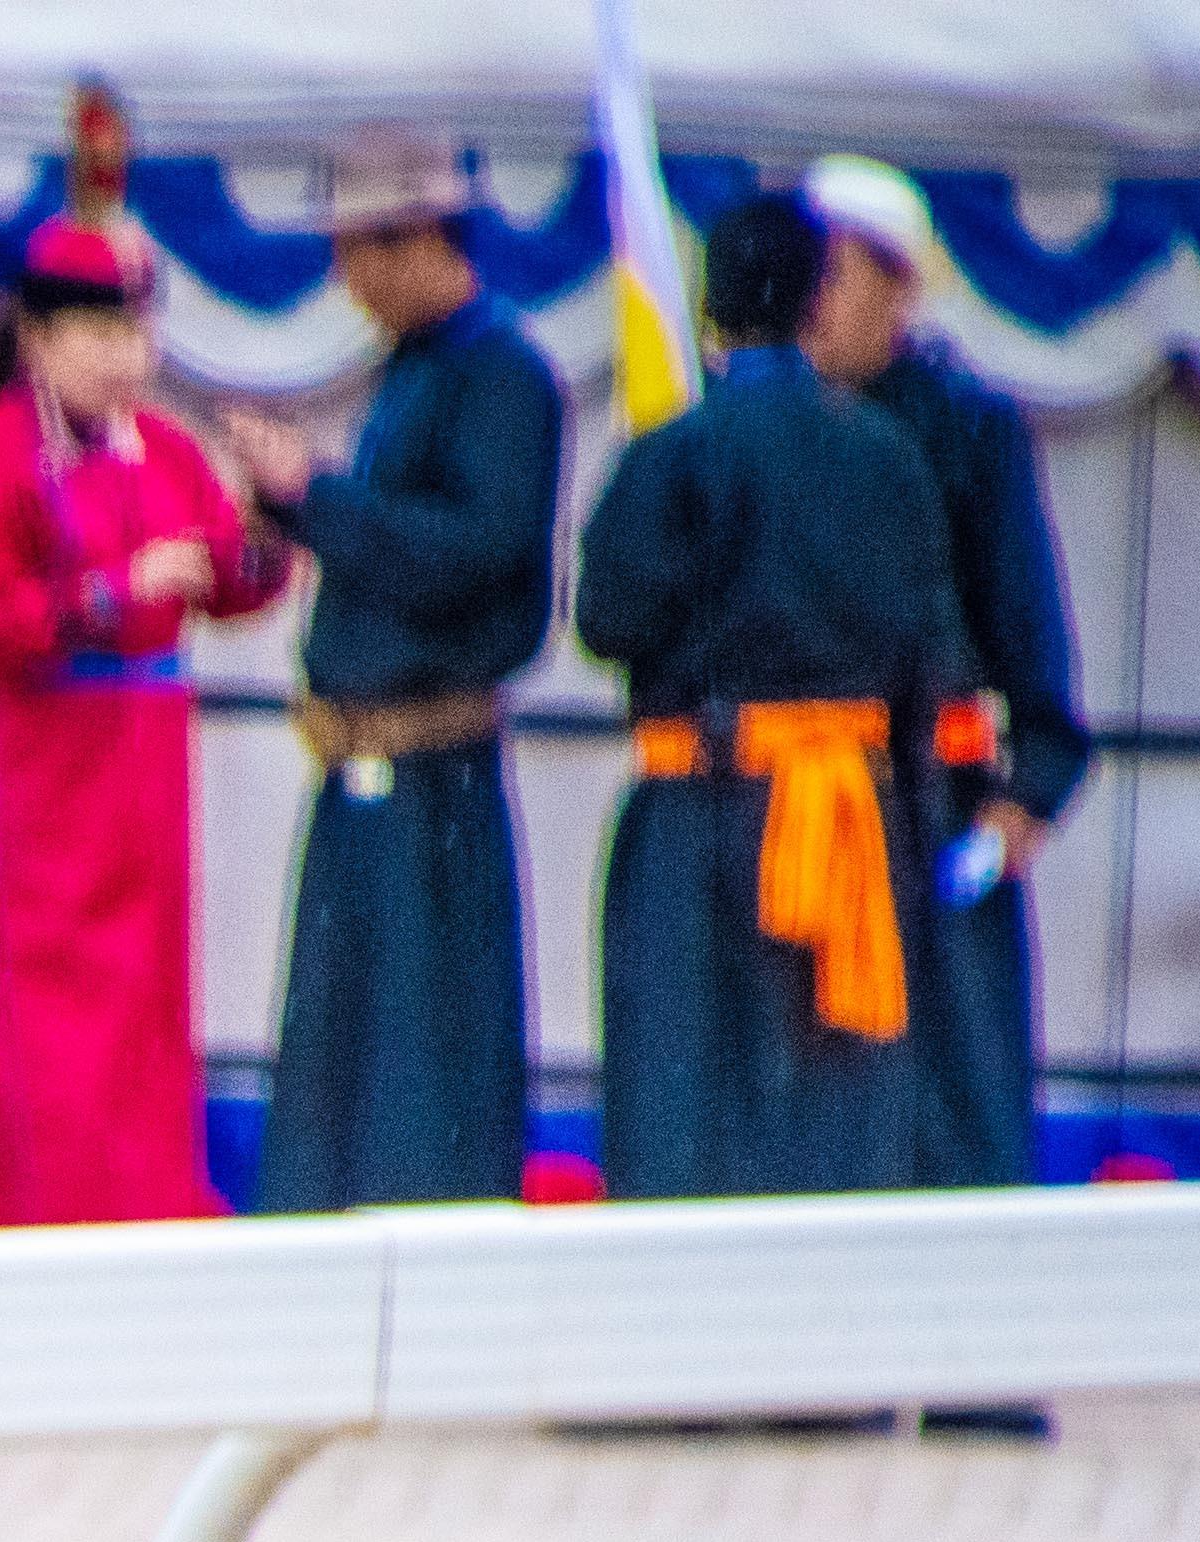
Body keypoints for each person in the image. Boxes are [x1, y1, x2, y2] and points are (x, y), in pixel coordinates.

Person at [578, 189, 973, 1201]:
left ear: (711, 310)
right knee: (832, 1121)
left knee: (688, 1116)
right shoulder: (889, 456)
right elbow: (926, 655)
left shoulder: (674, 450)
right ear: (816, 296)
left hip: (700, 820)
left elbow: (606, 621)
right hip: (854, 821)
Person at [0, 217, 284, 1226]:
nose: (124, 359)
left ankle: (146, 1221)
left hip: (140, 785)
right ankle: (36, 1235)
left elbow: (234, 582)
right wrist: (112, 593)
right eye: (97, 335)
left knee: (144, 1019)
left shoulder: (163, 451)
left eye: (134, 334)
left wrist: (269, 526)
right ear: (35, 337)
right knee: (35, 1039)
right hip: (31, 789)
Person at [215, 133, 565, 1211]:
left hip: (434, 780)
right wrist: (291, 507)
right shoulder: (419, 371)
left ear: (417, 243)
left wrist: (316, 495)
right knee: (341, 1047)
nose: (346, 282)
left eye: (359, 254)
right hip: (364, 771)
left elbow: (471, 554)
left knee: (424, 1051)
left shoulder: (501, 375)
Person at [804, 156, 1087, 1190]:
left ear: (899, 283)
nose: (814, 303)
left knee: (945, 1107)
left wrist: (1019, 807)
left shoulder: (968, 426)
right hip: (799, 817)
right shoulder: (763, 427)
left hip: (934, 813)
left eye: (837, 274)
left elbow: (1029, 639)